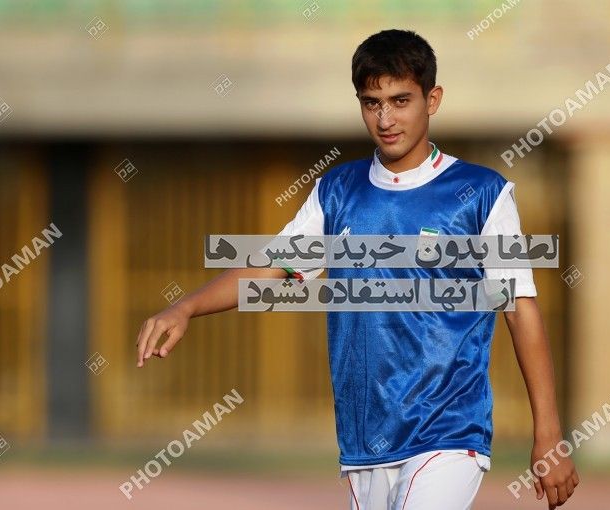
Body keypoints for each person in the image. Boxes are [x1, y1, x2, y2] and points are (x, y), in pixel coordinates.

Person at [135, 28, 579, 510]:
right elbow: (271, 268)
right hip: (363, 442)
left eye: (400, 100)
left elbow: (518, 309)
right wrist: (186, 307)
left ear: (432, 100)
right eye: (372, 103)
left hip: (449, 433)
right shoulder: (336, 192)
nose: (385, 119)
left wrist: (548, 434)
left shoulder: (484, 194)